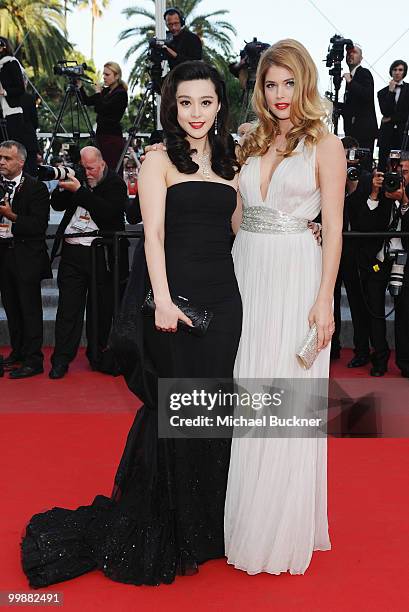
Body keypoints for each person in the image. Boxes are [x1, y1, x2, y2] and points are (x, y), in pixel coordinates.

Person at [21, 61, 242, 587]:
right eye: (185, 102)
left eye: (206, 102)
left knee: (213, 407)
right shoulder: (158, 160)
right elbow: (155, 238)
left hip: (226, 301)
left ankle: (208, 524)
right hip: (174, 299)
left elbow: (240, 231)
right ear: (172, 106)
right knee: (175, 405)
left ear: (219, 106)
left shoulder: (233, 164)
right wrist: (162, 300)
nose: (196, 112)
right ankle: (170, 523)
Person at [224, 39, 345, 575]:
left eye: (288, 83)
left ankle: (281, 526)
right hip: (246, 270)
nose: (278, 94)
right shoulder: (250, 141)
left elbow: (336, 228)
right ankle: (247, 514)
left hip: (296, 277)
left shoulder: (325, 143)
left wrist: (325, 299)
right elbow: (236, 214)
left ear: (306, 83)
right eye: (270, 84)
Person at [48, 146, 128, 379]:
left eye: (91, 168)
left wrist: (80, 191)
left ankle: (97, 355)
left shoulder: (115, 183)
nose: (88, 172)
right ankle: (61, 360)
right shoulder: (78, 177)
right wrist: (66, 186)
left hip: (100, 255)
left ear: (102, 164)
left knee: (100, 310)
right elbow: (57, 205)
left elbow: (109, 213)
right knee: (67, 310)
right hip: (73, 253)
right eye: (84, 168)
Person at [0, 140, 51, 378]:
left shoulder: (36, 188)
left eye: (7, 158)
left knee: (29, 309)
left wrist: (12, 216)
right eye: (0, 157)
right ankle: (18, 352)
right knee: (11, 307)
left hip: (26, 257)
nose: (1, 162)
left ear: (20, 161)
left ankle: (34, 359)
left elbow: (39, 225)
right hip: (3, 256)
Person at [357, 152, 409, 377]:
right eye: (398, 171)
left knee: (405, 314)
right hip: (379, 260)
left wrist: (405, 200)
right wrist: (375, 194)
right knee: (375, 310)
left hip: (404, 261)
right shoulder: (383, 191)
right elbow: (365, 224)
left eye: (405, 172)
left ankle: (405, 363)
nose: (400, 176)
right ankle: (379, 359)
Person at [332, 136, 372, 366]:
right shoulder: (330, 174)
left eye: (352, 154)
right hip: (333, 247)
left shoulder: (366, 180)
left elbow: (365, 217)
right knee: (332, 298)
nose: (349, 159)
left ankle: (362, 350)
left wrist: (353, 185)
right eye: (345, 154)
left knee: (358, 301)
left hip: (356, 250)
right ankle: (333, 346)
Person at [78, 62, 128, 170]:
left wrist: (97, 93)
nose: (104, 77)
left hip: (112, 137)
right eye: (104, 74)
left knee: (111, 168)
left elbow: (102, 109)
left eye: (107, 74)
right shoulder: (106, 91)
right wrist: (80, 87)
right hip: (101, 135)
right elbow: (86, 101)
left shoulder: (121, 93)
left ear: (117, 76)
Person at [342, 44, 378, 165]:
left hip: (364, 131)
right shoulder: (352, 76)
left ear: (361, 58)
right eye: (348, 53)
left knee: (363, 166)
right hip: (353, 131)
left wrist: (350, 82)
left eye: (355, 52)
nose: (350, 54)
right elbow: (352, 106)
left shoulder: (364, 73)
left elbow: (367, 95)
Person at [377, 60, 409, 172]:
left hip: (403, 134)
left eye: (400, 70)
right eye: (395, 69)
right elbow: (385, 111)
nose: (397, 72)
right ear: (391, 71)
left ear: (404, 72)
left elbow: (406, 114)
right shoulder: (382, 92)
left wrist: (391, 118)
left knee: (402, 164)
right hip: (386, 134)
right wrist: (391, 92)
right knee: (383, 164)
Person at [0, 37, 25, 145]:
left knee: (12, 146)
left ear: (2, 47)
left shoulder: (11, 63)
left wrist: (4, 92)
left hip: (11, 112)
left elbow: (20, 88)